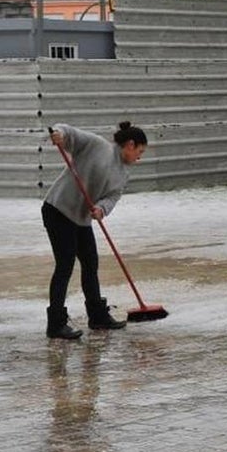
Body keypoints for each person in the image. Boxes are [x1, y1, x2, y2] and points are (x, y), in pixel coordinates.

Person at [42, 121, 148, 340]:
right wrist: (60, 134)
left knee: (91, 263)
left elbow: (112, 197)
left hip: (81, 218)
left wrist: (101, 209)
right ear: (130, 144)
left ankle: (97, 316)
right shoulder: (97, 145)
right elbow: (69, 133)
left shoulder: (123, 172)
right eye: (140, 151)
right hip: (58, 210)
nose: (140, 157)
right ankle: (56, 323)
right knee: (65, 264)